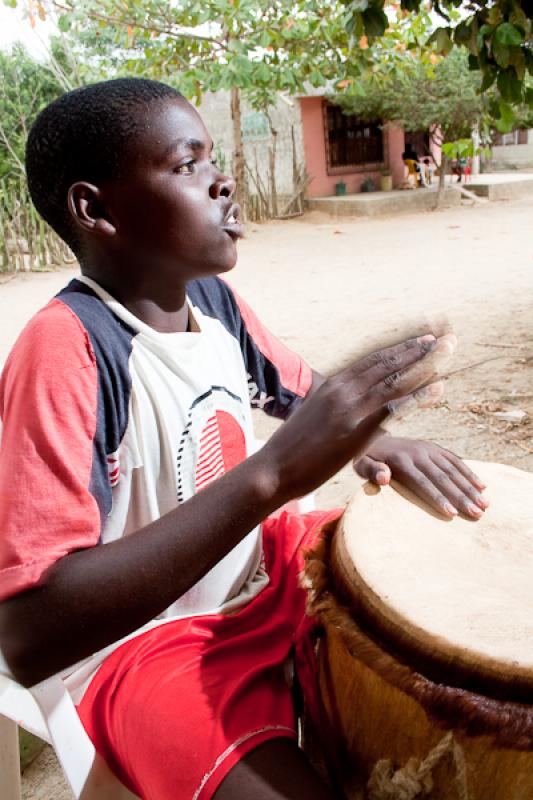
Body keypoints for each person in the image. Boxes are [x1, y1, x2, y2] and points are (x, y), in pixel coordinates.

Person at [0, 79, 488, 800]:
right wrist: (272, 476)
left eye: (213, 161)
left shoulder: (210, 299)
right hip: (145, 646)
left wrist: (368, 440)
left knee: (431, 564)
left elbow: (297, 394)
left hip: (260, 574)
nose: (222, 180)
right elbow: (32, 631)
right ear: (94, 208)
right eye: (187, 165)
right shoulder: (67, 348)